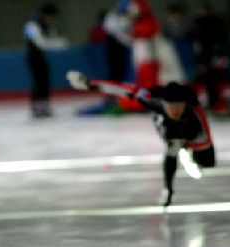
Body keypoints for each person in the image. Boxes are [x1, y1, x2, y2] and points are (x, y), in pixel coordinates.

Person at [67, 71, 215, 207]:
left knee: (208, 162)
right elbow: (122, 89)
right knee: (172, 146)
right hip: (167, 126)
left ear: (185, 105)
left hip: (190, 128)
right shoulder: (151, 99)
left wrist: (188, 146)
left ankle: (184, 152)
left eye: (178, 107)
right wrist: (88, 83)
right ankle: (168, 189)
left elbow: (206, 140)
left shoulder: (195, 110)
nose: (175, 111)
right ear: (163, 103)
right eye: (171, 107)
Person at [23, 3, 68, 118]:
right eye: (49, 17)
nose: (50, 19)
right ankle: (37, 108)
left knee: (44, 81)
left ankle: (44, 106)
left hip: (40, 57)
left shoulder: (43, 25)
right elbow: (40, 43)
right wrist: (58, 44)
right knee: (38, 82)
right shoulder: (31, 26)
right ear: (45, 15)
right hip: (34, 57)